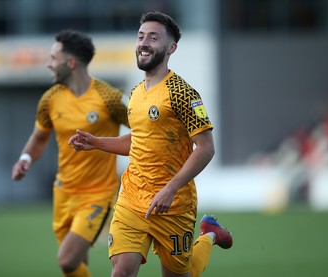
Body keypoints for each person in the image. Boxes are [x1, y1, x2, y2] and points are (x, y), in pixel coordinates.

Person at [69, 11, 233, 277]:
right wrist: (97, 142)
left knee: (182, 274)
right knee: (121, 272)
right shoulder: (135, 94)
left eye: (153, 38)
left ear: (171, 48)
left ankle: (209, 235)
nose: (144, 43)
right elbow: (140, 141)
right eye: (141, 36)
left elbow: (206, 148)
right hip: (132, 199)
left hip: (174, 203)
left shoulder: (183, 93)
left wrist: (170, 189)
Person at [11, 29, 129, 277]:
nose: (48, 64)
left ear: (71, 62)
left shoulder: (109, 98)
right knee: (76, 264)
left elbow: (143, 130)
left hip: (98, 194)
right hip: (63, 193)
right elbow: (39, 137)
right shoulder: (50, 99)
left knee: (66, 260)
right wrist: (26, 158)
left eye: (53, 58)